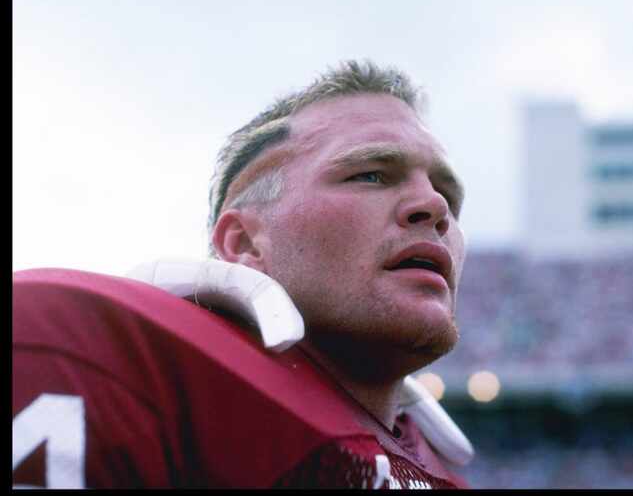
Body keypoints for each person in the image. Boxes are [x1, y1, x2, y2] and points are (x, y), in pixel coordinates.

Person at [12, 60, 471, 488]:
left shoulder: (438, 462)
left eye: (447, 194)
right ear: (245, 244)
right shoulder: (97, 359)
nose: (434, 208)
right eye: (371, 175)